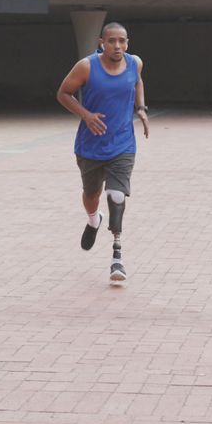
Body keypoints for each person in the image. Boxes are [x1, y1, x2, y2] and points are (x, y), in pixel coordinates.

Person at [56, 22, 150, 286]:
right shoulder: (86, 66)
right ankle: (93, 220)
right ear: (101, 42)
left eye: (122, 41)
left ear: (127, 43)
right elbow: (63, 93)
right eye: (112, 41)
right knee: (91, 195)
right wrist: (85, 115)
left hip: (123, 143)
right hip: (91, 145)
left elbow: (138, 82)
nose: (117, 46)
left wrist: (141, 108)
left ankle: (117, 256)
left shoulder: (135, 63)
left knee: (117, 195)